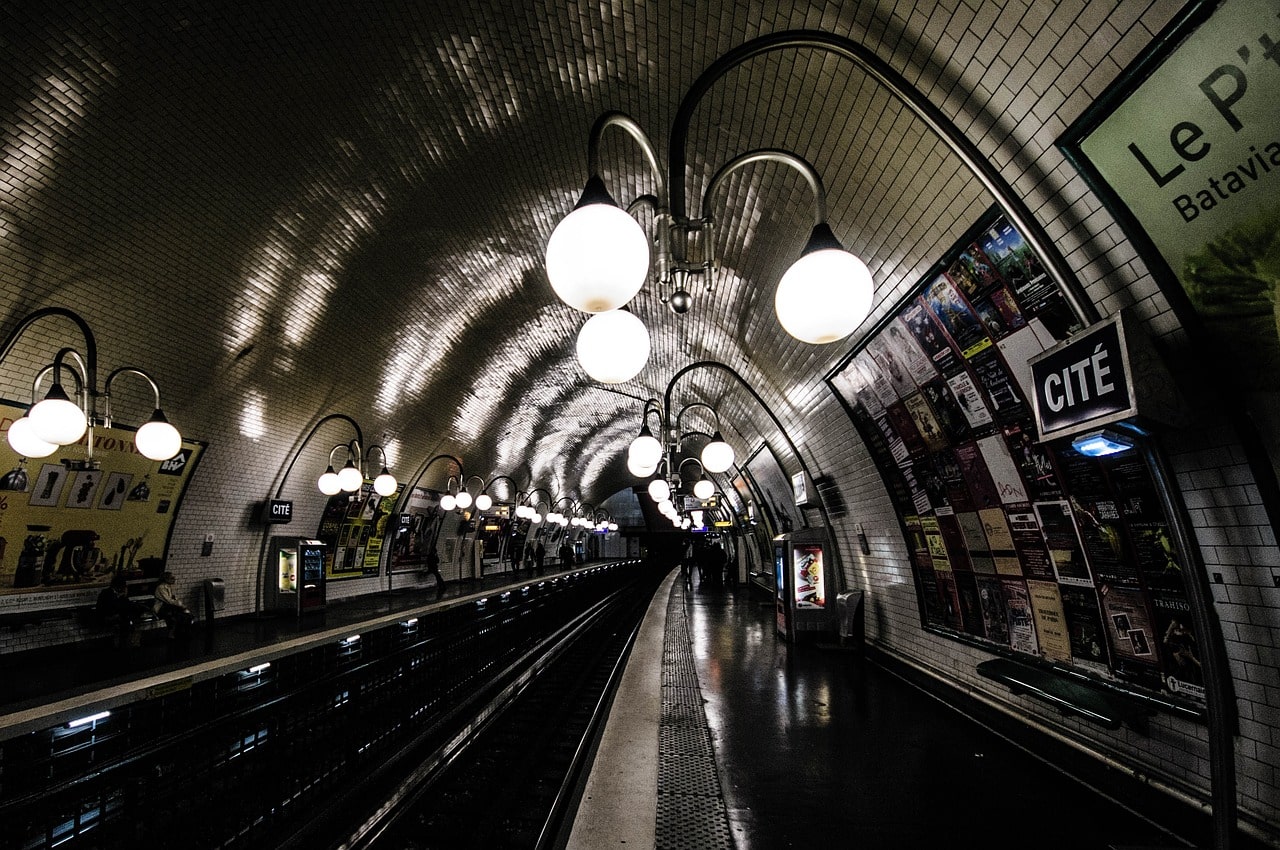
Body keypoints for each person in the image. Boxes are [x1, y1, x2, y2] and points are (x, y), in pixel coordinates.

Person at [96, 573, 147, 647]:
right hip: (107, 616)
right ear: (120, 586)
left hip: (116, 615)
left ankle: (126, 640)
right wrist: (122, 597)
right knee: (125, 618)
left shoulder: (118, 594)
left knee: (127, 616)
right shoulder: (107, 593)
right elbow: (110, 607)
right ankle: (125, 642)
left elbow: (126, 605)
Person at [153, 571, 194, 638]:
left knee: (185, 614)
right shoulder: (161, 588)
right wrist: (180, 605)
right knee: (176, 615)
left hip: (168, 606)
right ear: (166, 579)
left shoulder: (168, 586)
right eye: (172, 578)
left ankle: (180, 631)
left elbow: (173, 598)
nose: (174, 579)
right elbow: (168, 600)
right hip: (161, 608)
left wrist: (180, 604)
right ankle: (173, 633)